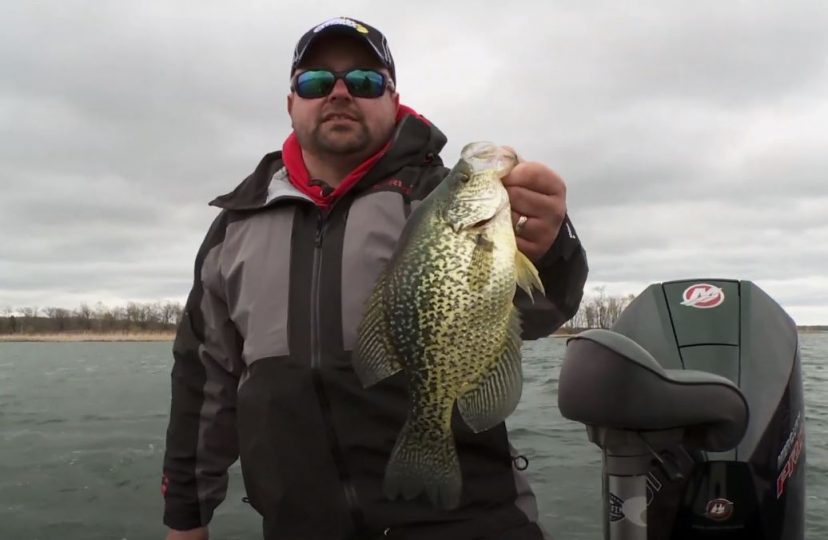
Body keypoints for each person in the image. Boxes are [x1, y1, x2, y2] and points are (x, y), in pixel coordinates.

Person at [162, 16, 588, 540]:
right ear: (291, 102)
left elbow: (543, 312)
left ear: (392, 97)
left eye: (364, 81)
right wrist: (186, 515)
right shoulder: (236, 226)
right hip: (300, 524)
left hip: (469, 518)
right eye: (316, 82)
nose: (339, 93)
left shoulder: (437, 197)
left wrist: (551, 248)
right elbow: (203, 379)